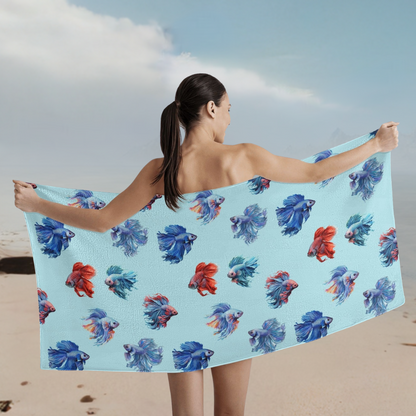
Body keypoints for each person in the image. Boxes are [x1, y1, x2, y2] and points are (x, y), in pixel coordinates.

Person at [13, 73, 399, 416]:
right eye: (229, 109)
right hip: (233, 305)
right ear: (211, 108)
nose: (230, 119)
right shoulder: (243, 157)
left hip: (180, 304)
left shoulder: (160, 170)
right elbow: (315, 173)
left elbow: (101, 222)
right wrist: (376, 146)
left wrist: (37, 204)